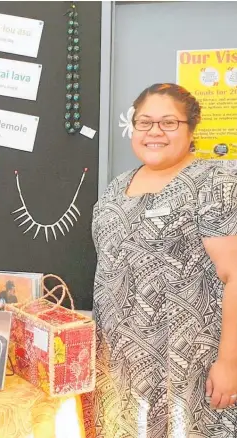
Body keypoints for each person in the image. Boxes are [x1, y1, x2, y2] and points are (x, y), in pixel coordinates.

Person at [91, 83, 237, 437]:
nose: (154, 131)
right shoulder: (117, 185)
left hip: (186, 365)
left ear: (190, 129)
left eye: (169, 122)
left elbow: (234, 275)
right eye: (145, 122)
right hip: (118, 363)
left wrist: (230, 363)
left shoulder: (215, 182)